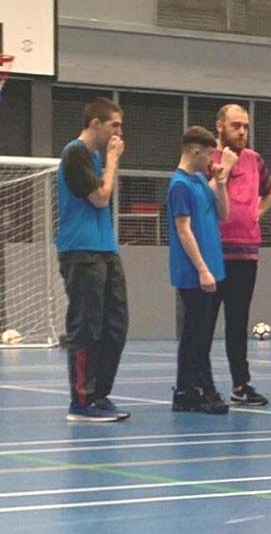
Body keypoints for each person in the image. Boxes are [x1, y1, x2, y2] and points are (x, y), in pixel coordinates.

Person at [56, 97, 130, 422]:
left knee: (115, 324)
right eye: (114, 125)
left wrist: (108, 161)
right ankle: (81, 402)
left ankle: (100, 394)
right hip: (81, 250)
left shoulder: (96, 158)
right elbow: (100, 198)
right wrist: (113, 161)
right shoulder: (76, 153)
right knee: (86, 326)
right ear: (96, 124)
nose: (118, 133)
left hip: (105, 248)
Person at [206, 104, 271, 407]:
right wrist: (228, 166)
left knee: (238, 321)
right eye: (236, 126)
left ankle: (241, 383)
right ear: (220, 126)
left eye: (246, 126)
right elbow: (204, 196)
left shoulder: (255, 160)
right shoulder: (208, 158)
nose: (242, 132)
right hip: (213, 252)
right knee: (204, 322)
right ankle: (201, 384)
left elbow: (270, 193)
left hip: (245, 253)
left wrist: (253, 215)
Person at [168, 127, 236, 415]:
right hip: (194, 272)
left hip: (212, 267)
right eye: (209, 154)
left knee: (201, 332)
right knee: (196, 334)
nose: (212, 160)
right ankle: (193, 388)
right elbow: (183, 231)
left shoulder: (199, 180)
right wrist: (202, 269)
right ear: (195, 151)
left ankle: (194, 388)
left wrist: (221, 183)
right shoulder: (179, 185)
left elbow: (223, 214)